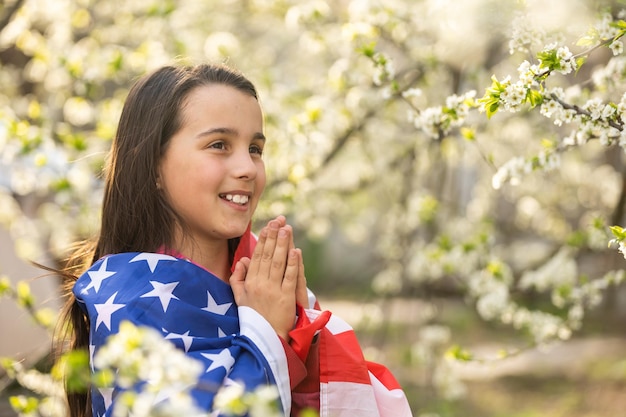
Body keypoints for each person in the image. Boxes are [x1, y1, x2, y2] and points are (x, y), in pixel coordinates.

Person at [56, 62, 413, 417]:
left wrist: (304, 332)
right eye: (219, 144)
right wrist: (267, 332)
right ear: (152, 165)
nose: (247, 167)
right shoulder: (130, 299)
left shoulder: (262, 283)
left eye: (255, 149)